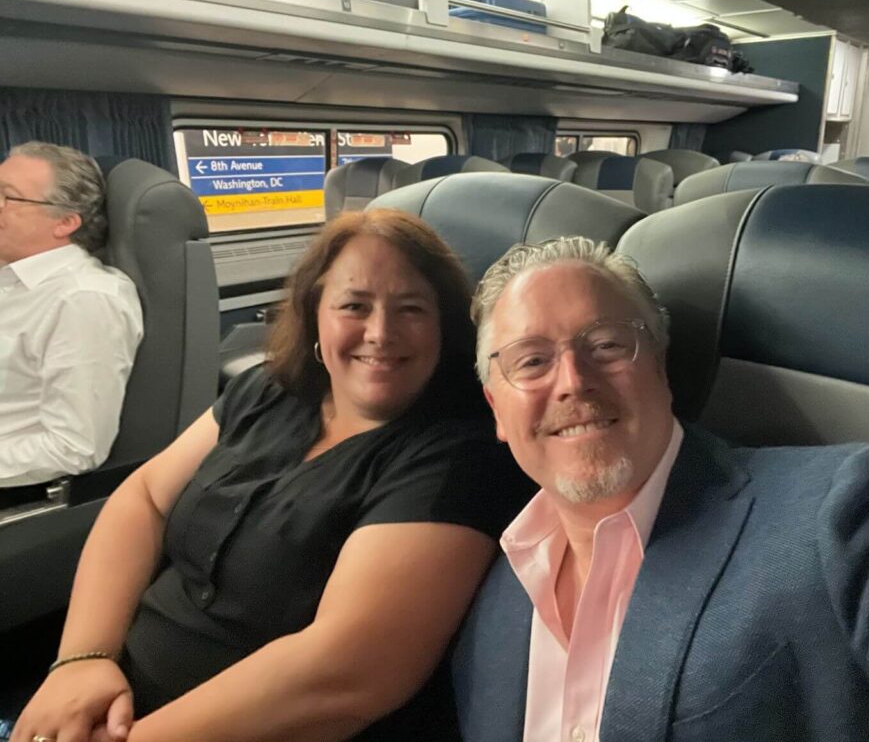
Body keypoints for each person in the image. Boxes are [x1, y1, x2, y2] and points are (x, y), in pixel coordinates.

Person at [452, 236, 869, 742]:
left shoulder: (834, 514)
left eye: (606, 346)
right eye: (532, 361)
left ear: (660, 368)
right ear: (497, 408)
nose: (574, 382)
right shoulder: (490, 586)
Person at [13, 209, 532, 742]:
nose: (380, 332)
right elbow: (144, 498)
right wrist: (82, 660)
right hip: (109, 695)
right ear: (314, 314)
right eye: (354, 305)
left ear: (445, 327)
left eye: (412, 309)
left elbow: (345, 674)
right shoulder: (267, 390)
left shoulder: (458, 455)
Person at [0, 141, 143, 489]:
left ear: (65, 222)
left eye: (7, 197)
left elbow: (73, 447)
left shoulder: (83, 300)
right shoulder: (11, 277)